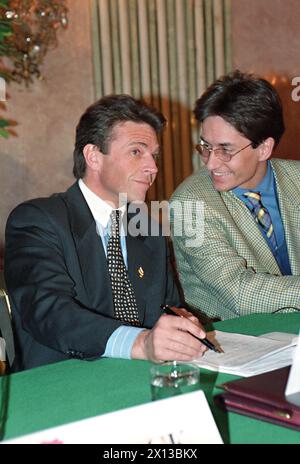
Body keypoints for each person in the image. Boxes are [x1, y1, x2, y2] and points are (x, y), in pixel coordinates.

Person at [4, 94, 206, 371]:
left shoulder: (148, 228)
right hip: (62, 385)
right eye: (137, 151)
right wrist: (140, 343)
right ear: (93, 157)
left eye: (154, 155)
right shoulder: (38, 220)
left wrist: (180, 324)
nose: (153, 167)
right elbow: (49, 312)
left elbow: (165, 307)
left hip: (138, 376)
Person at [170, 70, 300, 321]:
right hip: (236, 341)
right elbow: (240, 292)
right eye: (206, 147)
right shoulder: (189, 204)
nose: (210, 163)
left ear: (264, 148)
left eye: (225, 150)